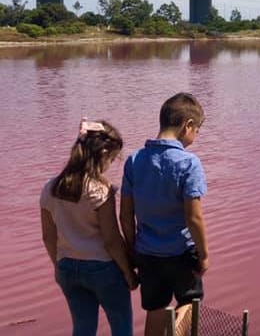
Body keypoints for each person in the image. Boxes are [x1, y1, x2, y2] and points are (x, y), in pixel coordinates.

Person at [120, 92, 209, 336]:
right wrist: (204, 255)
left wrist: (132, 250)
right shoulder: (189, 163)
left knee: (156, 309)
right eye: (197, 130)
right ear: (187, 126)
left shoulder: (134, 160)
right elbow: (194, 218)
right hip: (181, 251)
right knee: (190, 304)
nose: (196, 136)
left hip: (147, 252)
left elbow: (125, 215)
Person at [40, 119, 138, 336]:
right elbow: (112, 240)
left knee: (83, 329)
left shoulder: (50, 188)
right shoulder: (100, 192)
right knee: (121, 328)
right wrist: (128, 272)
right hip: (102, 269)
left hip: (67, 268)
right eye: (112, 159)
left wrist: (58, 266)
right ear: (102, 153)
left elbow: (48, 237)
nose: (110, 164)